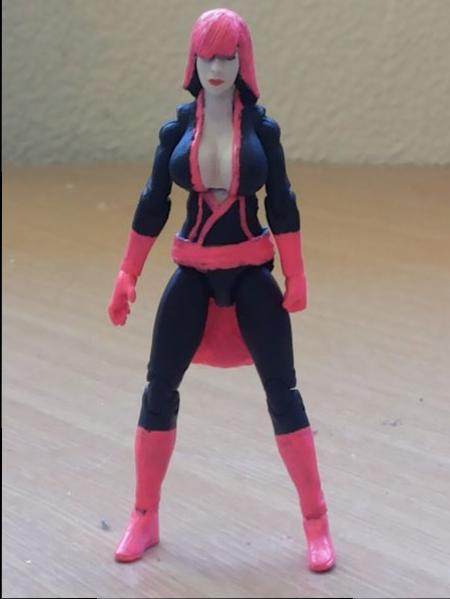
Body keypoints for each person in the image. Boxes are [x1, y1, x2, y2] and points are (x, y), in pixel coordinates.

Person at [108, 8, 335, 573]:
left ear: (242, 60)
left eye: (227, 57)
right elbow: (153, 203)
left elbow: (281, 202)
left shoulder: (262, 131)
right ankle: (143, 514)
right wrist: (128, 272)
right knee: (159, 388)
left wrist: (296, 273)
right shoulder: (176, 130)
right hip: (192, 272)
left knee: (283, 392)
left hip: (251, 273)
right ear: (193, 59)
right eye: (206, 56)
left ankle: (316, 522)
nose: (216, 67)